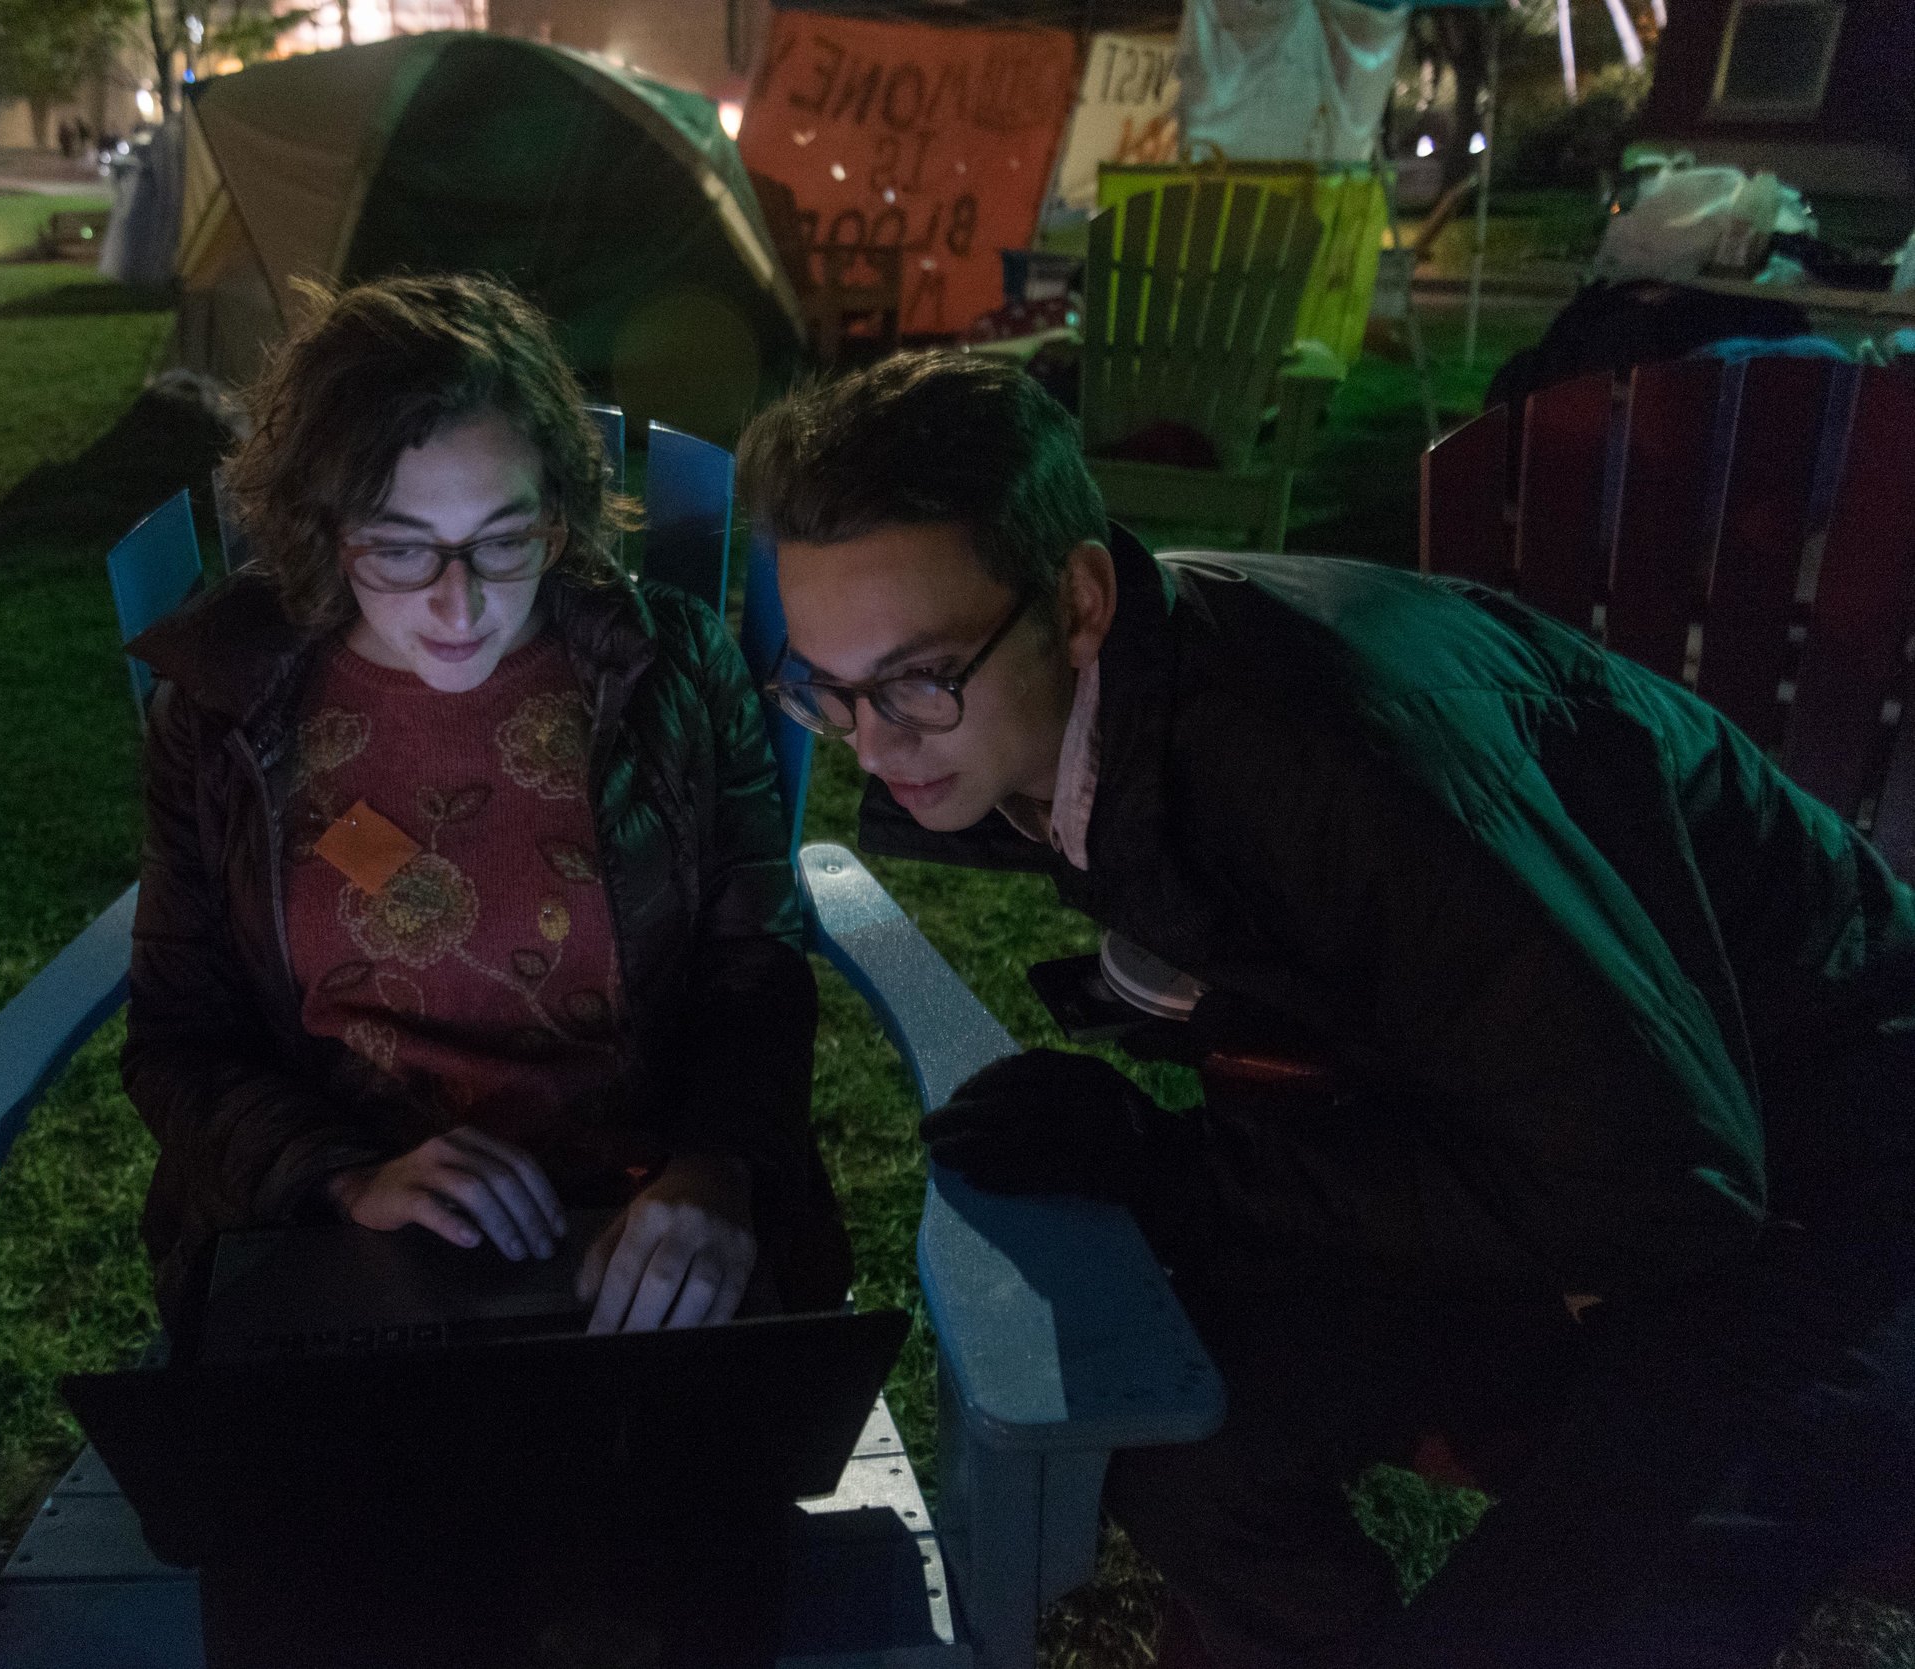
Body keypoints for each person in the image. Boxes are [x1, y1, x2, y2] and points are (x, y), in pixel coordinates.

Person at [739, 351, 1915, 1668]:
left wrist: (1180, 1165)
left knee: (1551, 1624)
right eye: (826, 692)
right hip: (1538, 1117)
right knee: (1189, 1445)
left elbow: (1660, 1191)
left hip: (1830, 1162)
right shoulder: (1099, 709)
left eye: (915, 679)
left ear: (1078, 597)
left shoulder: (1335, 763)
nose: (875, 744)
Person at [121, 272, 849, 1353]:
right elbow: (180, 1037)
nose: (459, 604)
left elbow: (751, 969)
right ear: (326, 530)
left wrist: (716, 1167)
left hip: (634, 1239)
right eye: (400, 545)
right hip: (349, 1249)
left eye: (504, 540)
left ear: (557, 515)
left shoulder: (671, 670)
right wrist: (344, 1176)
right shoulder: (230, 706)